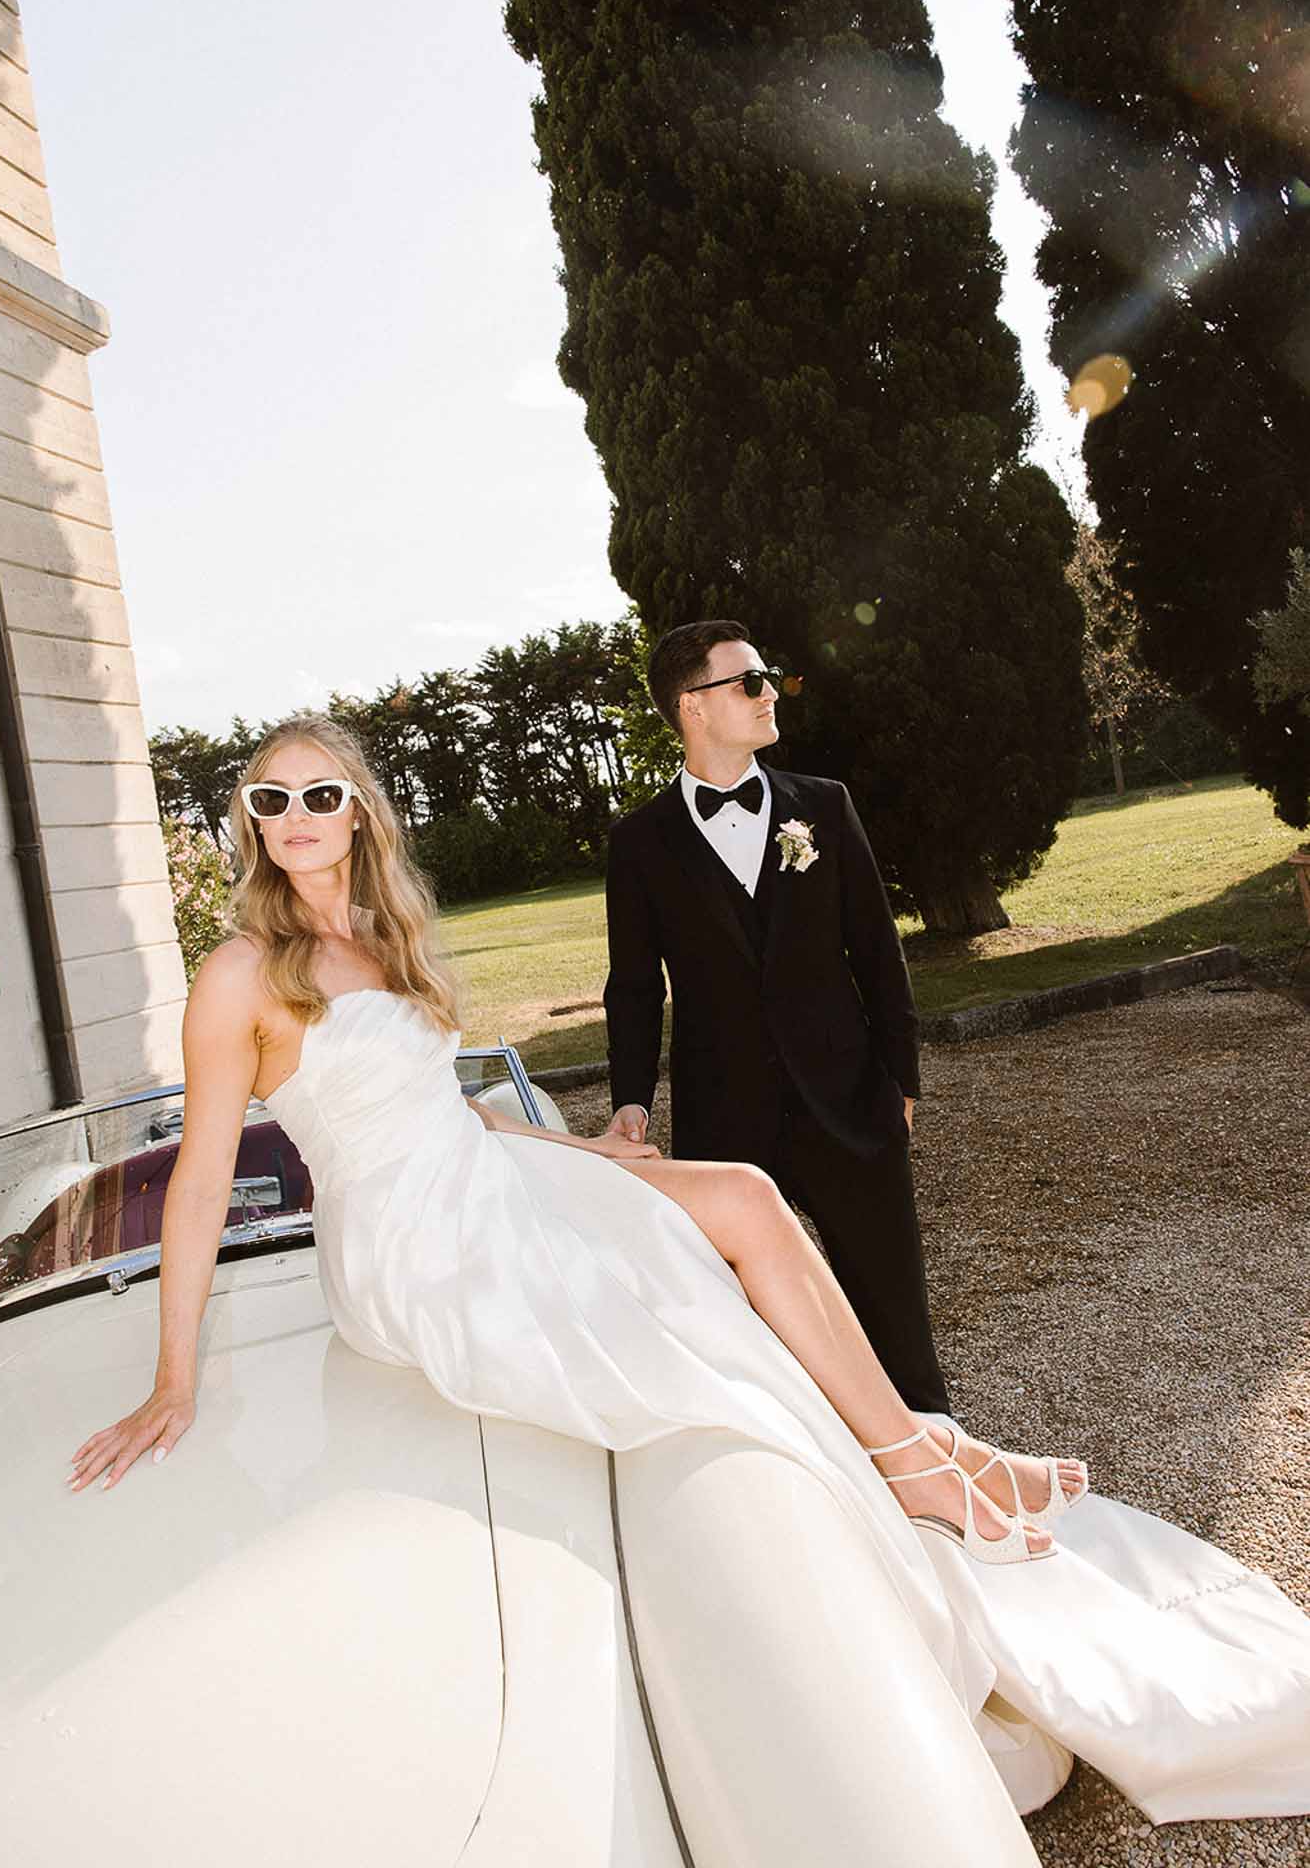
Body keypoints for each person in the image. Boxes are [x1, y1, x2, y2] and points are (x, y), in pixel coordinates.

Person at [70, 714, 1310, 1830]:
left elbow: (444, 1109)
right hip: (415, 1243)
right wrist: (174, 1376)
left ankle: (922, 1458)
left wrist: (585, 1149)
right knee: (702, 1260)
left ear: (361, 810)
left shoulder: (386, 936)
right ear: (248, 822)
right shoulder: (241, 969)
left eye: (319, 794)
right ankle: (928, 1466)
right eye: (269, 800)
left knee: (750, 1199)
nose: (294, 820)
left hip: (483, 1170)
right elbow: (200, 1176)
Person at [604, 619, 952, 1416]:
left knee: (896, 1317)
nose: (770, 694)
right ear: (693, 706)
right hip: (725, 1124)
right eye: (749, 681)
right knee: (761, 1334)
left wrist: (901, 1081)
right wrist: (633, 1100)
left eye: (768, 678)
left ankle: (943, 1480)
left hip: (850, 1102)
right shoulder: (640, 843)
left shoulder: (824, 808)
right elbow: (632, 984)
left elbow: (876, 950)